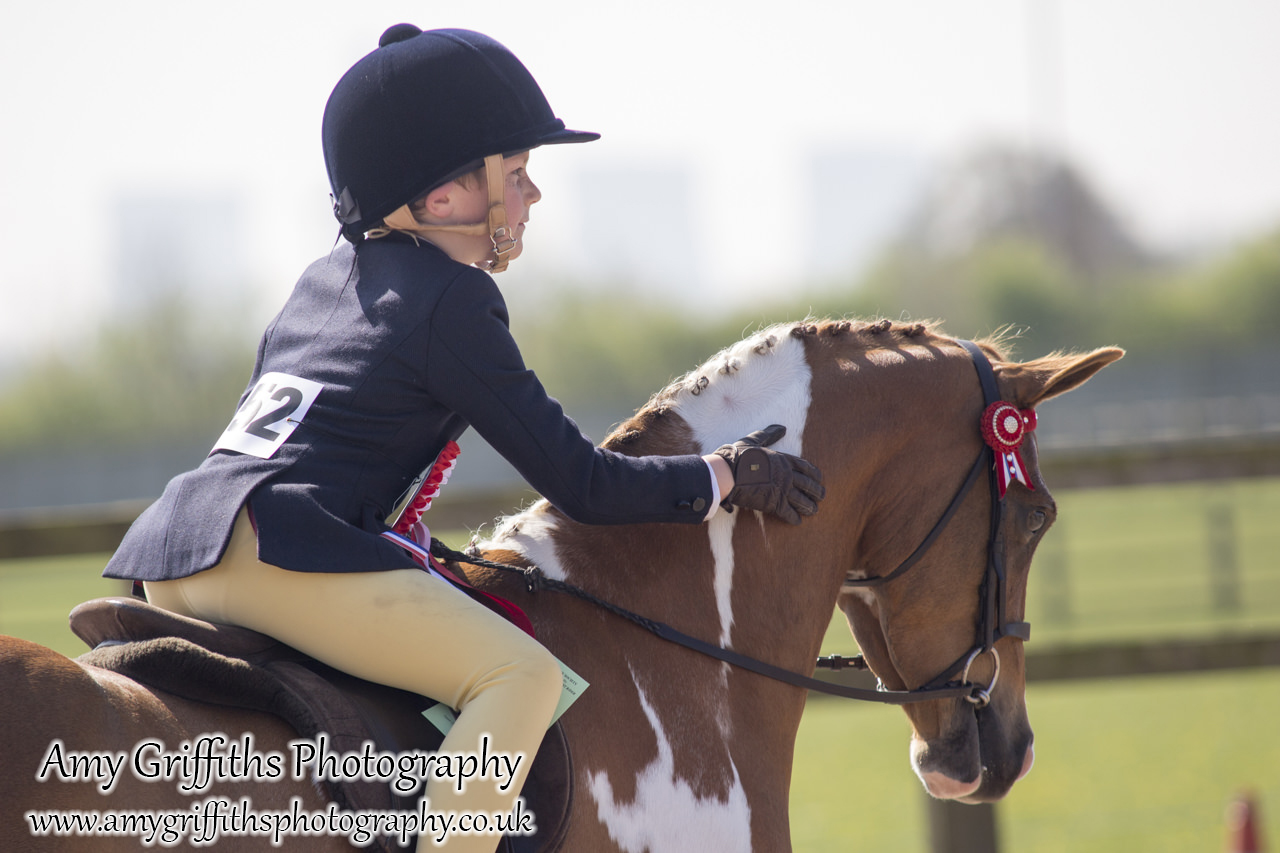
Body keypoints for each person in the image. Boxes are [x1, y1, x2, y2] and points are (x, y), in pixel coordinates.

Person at [104, 24, 824, 852]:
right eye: (516, 174)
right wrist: (725, 475)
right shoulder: (452, 298)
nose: (533, 197)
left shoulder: (321, 282)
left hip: (174, 559)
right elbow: (581, 483)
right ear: (444, 198)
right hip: (280, 555)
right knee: (517, 675)